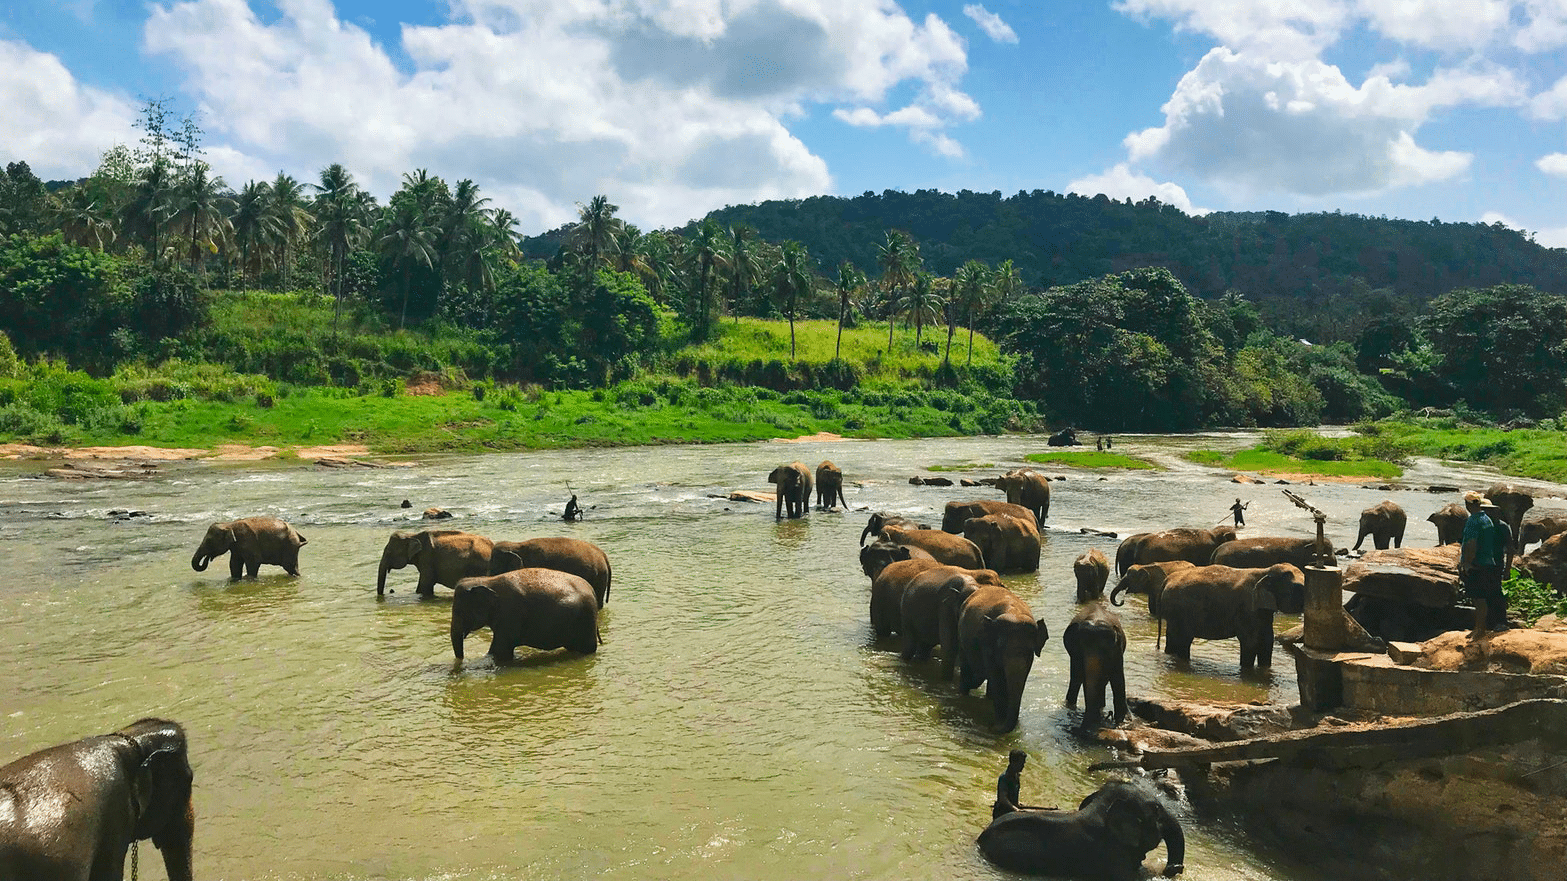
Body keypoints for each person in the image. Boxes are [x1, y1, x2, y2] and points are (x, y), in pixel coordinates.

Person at [1460, 492, 1509, 638]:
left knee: (1479, 599)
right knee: (1483, 597)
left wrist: (1467, 562)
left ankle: (1480, 629)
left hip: (1477, 564)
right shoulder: (1486, 519)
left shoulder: (1473, 521)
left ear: (1468, 505)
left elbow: (1471, 543)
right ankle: (1479, 628)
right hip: (1488, 562)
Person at [992, 750, 1054, 819]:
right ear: (1013, 762)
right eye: (1021, 763)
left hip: (1012, 810)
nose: (1023, 766)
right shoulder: (1004, 778)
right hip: (1002, 814)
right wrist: (1016, 810)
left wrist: (1019, 805)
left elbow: (1014, 799)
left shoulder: (1016, 776)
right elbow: (1003, 799)